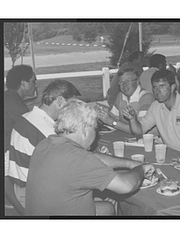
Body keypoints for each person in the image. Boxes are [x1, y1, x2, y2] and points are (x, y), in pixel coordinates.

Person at [25, 99, 155, 216]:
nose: (96, 135)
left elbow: (92, 157)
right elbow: (126, 185)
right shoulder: (78, 159)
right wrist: (141, 169)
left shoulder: (46, 144)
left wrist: (130, 164)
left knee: (107, 208)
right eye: (95, 129)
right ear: (85, 130)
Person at [6, 80, 81, 215]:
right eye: (72, 106)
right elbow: (74, 167)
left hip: (20, 187)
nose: (73, 111)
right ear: (59, 101)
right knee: (102, 204)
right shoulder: (47, 132)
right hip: (33, 195)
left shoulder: (27, 117)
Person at [123, 70, 180, 152]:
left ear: (172, 88)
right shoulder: (156, 106)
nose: (157, 91)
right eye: (155, 87)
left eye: (162, 86)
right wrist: (132, 119)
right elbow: (139, 131)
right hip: (170, 155)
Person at [96, 67, 155, 134]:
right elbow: (113, 118)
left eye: (128, 81)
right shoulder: (120, 96)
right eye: (121, 82)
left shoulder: (146, 97)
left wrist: (112, 122)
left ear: (137, 81)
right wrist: (101, 115)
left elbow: (139, 129)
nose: (124, 85)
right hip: (127, 138)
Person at [4, 65, 37, 183]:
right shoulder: (14, 103)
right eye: (33, 81)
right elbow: (33, 127)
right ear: (23, 83)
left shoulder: (9, 98)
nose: (35, 85)